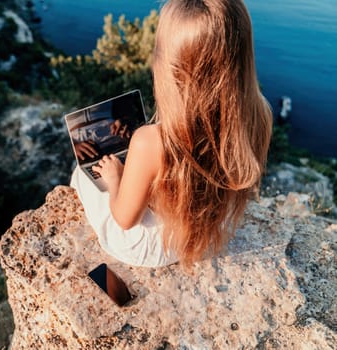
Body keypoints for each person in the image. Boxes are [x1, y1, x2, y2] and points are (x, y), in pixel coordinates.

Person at [70, 0, 272, 268]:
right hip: (210, 230)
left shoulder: (150, 141)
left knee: (80, 174)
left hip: (158, 247)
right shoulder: (260, 114)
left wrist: (115, 177)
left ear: (171, 67)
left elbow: (124, 219)